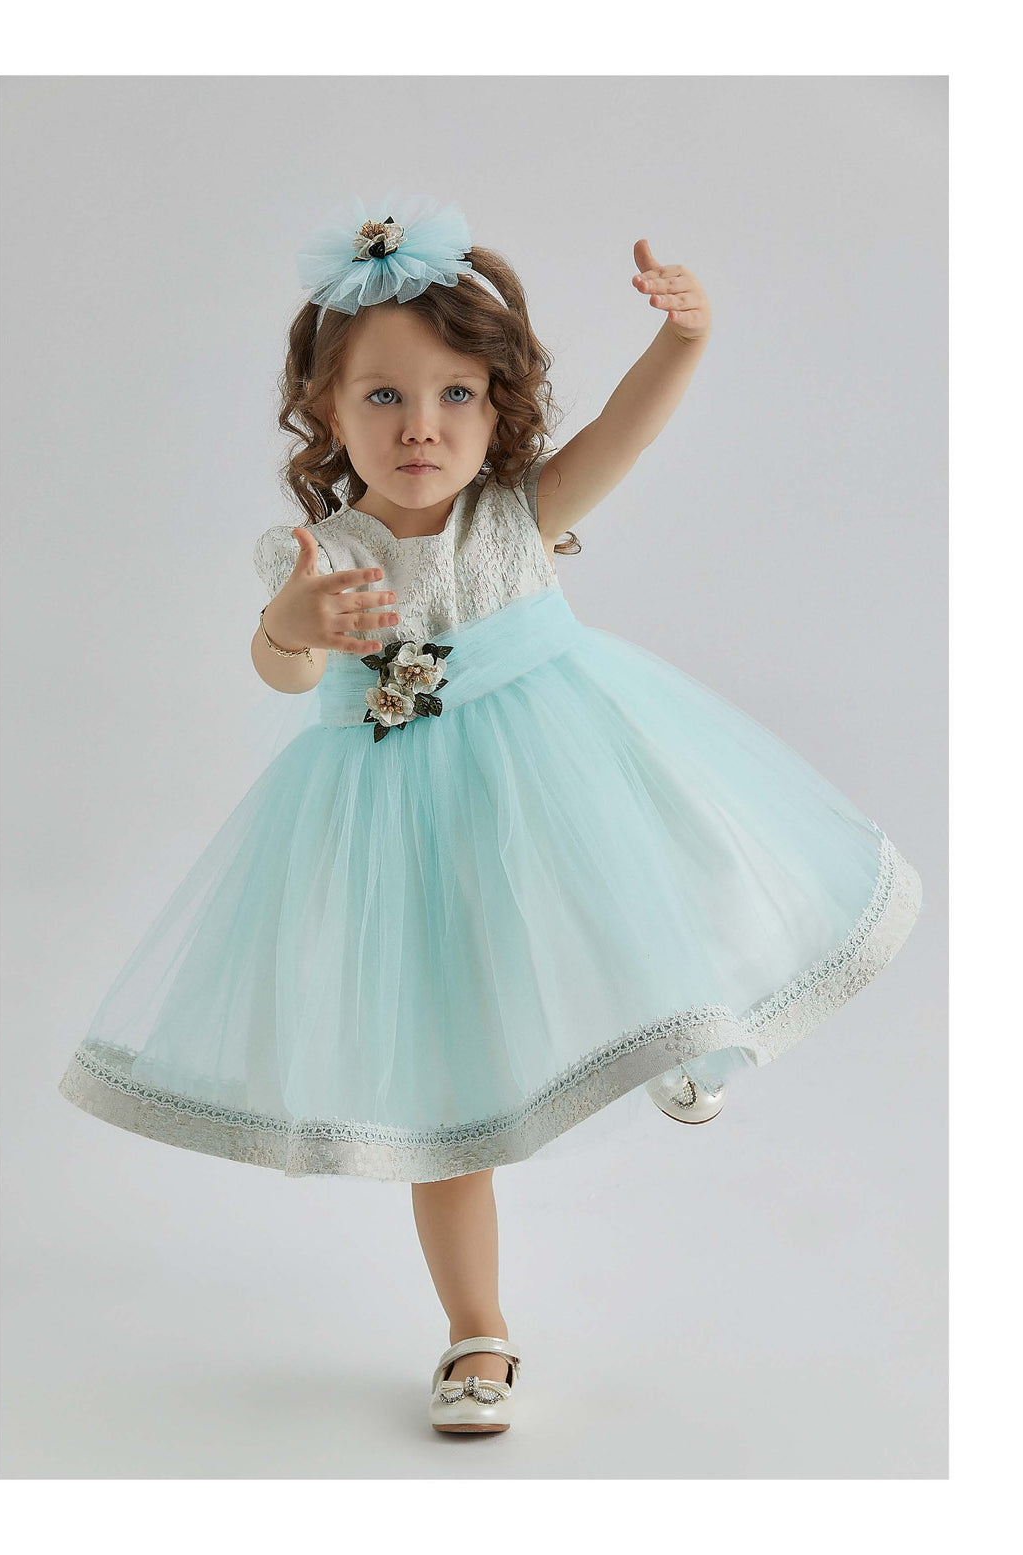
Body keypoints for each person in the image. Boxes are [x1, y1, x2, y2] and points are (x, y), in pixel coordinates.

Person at [58, 191, 923, 1435]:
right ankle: (477, 1330)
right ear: (327, 412)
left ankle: (689, 1037)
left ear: (496, 406)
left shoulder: (514, 517)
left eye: (455, 393)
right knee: (447, 1077)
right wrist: (294, 626)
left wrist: (682, 336)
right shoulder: (315, 556)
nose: (421, 424)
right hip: (396, 826)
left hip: (554, 766)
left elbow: (622, 434)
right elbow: (283, 670)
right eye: (383, 395)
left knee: (639, 882)